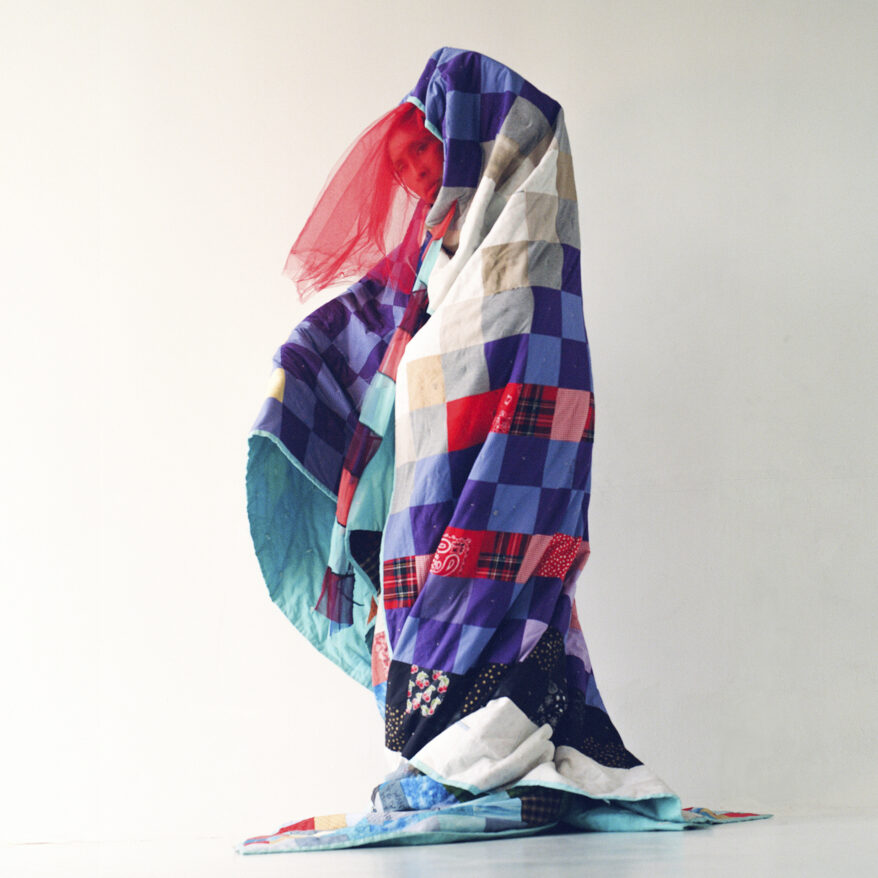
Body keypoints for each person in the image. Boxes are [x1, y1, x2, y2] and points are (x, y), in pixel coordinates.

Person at [239, 47, 767, 854]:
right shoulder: (435, 263)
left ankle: (485, 758)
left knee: (489, 621)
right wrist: (306, 365)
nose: (422, 189)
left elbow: (535, 391)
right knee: (420, 639)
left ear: (489, 153)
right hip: (424, 488)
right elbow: (376, 336)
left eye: (433, 161)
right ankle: (453, 758)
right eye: (415, 171)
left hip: (497, 496)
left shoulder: (529, 268)